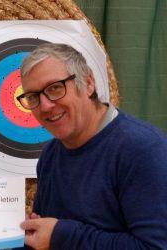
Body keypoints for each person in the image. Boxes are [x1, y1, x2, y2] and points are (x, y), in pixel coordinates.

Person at [17, 43, 167, 249]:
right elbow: (46, 237)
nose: (45, 106)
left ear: (88, 84)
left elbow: (155, 246)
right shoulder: (50, 155)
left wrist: (61, 236)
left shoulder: (142, 149)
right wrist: (26, 232)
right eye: (33, 97)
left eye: (55, 88)